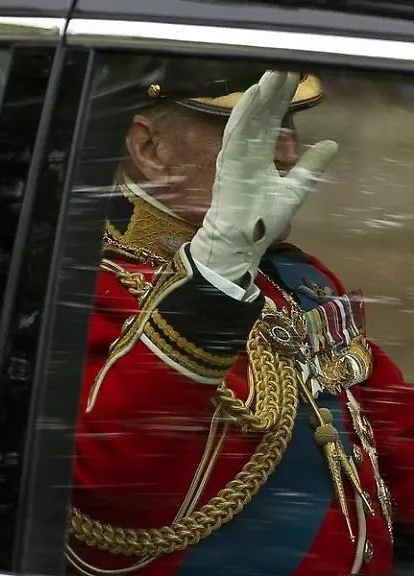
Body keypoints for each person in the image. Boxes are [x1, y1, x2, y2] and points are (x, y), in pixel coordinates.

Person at [67, 62, 414, 576]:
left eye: (287, 124)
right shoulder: (78, 287)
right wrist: (214, 277)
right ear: (150, 149)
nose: (287, 153)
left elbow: (390, 430)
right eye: (252, 128)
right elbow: (106, 485)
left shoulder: (297, 278)